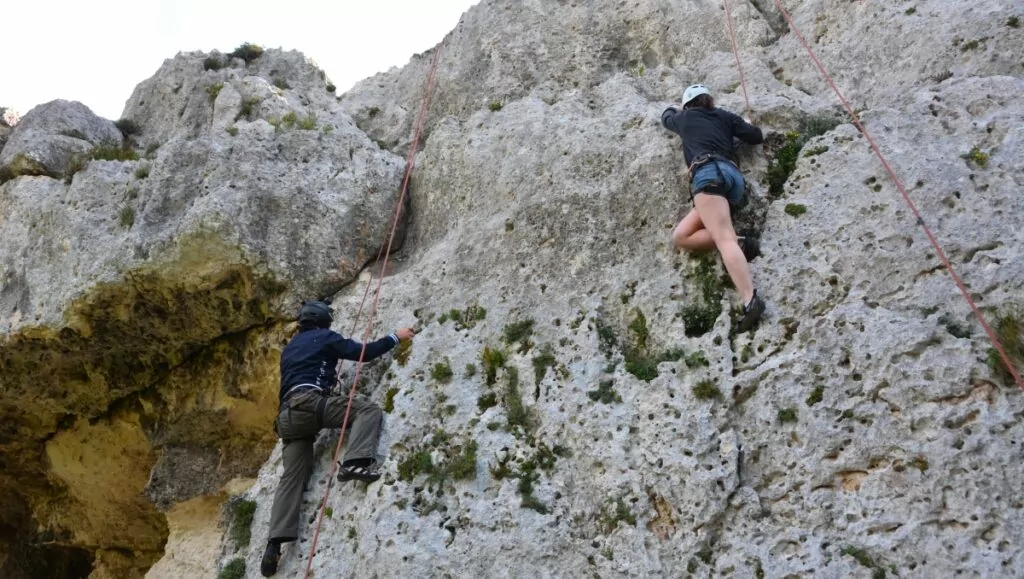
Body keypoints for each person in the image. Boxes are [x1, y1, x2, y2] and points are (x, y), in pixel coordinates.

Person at [261, 300, 415, 576]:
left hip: (287, 419)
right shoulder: (325, 336)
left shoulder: (290, 349)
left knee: (292, 476)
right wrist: (395, 336)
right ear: (324, 321)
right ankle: (354, 462)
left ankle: (274, 543)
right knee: (367, 410)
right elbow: (362, 353)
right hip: (311, 405)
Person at [661, 84, 766, 333]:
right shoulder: (725, 116)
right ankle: (740, 243)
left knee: (722, 238)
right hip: (732, 179)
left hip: (707, 175)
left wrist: (673, 108)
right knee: (682, 236)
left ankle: (750, 299)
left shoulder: (683, 118)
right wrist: (747, 123)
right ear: (709, 100)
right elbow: (755, 136)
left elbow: (666, 117)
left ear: (687, 105)